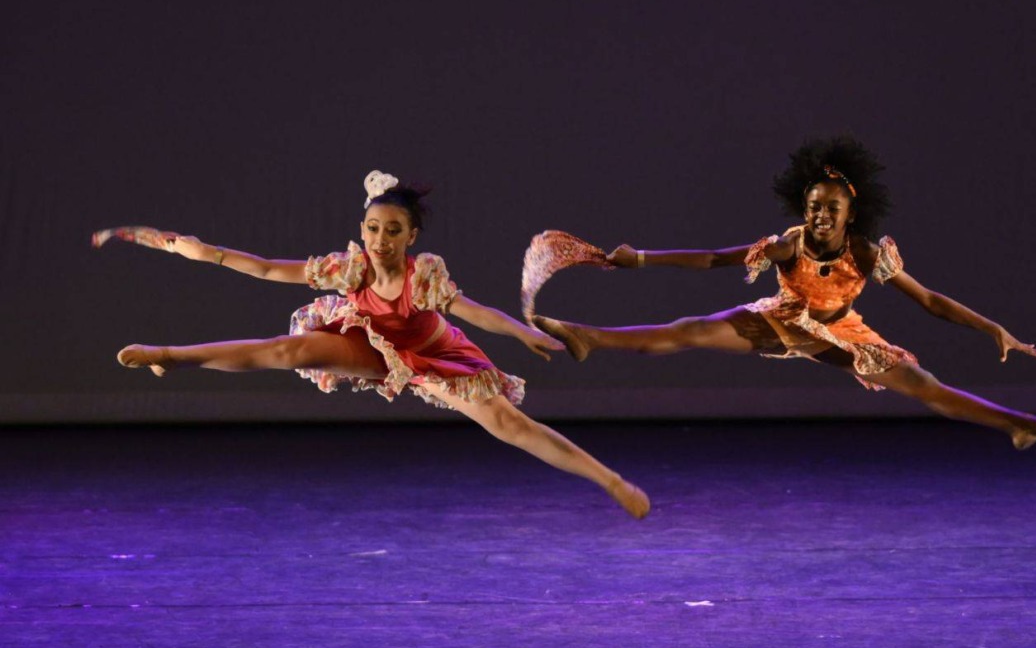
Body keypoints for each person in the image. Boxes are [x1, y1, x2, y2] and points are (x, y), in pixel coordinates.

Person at [96, 171, 650, 519]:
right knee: (290, 350)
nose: (380, 240)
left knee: (510, 427)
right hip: (372, 342)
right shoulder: (350, 269)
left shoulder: (424, 274)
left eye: (392, 231)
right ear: (362, 230)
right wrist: (205, 253)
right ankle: (167, 356)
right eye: (372, 229)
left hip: (437, 356)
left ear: (411, 237)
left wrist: (524, 331)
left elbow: (473, 311)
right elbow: (266, 268)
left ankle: (611, 481)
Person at [530, 136, 1036, 450]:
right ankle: (589, 338)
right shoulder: (790, 246)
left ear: (849, 215)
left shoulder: (866, 254)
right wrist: (640, 258)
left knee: (922, 384)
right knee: (690, 331)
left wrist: (991, 327)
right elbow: (717, 258)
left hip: (841, 331)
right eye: (812, 206)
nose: (818, 216)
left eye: (829, 209)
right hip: (785, 319)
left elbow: (929, 300)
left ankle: (1017, 424)